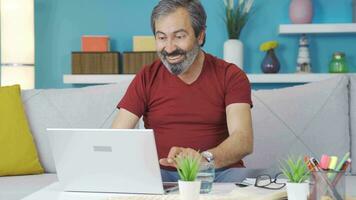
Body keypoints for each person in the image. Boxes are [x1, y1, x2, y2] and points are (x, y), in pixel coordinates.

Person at [111, 0, 253, 182]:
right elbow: (117, 137)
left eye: (179, 36)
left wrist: (204, 159)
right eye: (162, 38)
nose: (169, 48)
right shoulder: (147, 76)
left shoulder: (231, 76)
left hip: (218, 172)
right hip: (162, 176)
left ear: (200, 36)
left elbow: (243, 140)